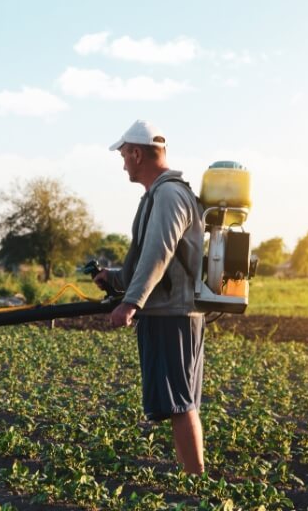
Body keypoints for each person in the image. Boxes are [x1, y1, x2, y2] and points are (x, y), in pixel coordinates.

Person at [93, 119, 207, 474]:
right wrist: (114, 278)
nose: (123, 164)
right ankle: (193, 479)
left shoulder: (169, 195)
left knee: (180, 403)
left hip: (172, 315)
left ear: (136, 154)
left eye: (124, 156)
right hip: (168, 313)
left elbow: (160, 251)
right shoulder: (158, 195)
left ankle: (196, 483)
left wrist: (131, 303)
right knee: (179, 403)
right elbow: (145, 258)